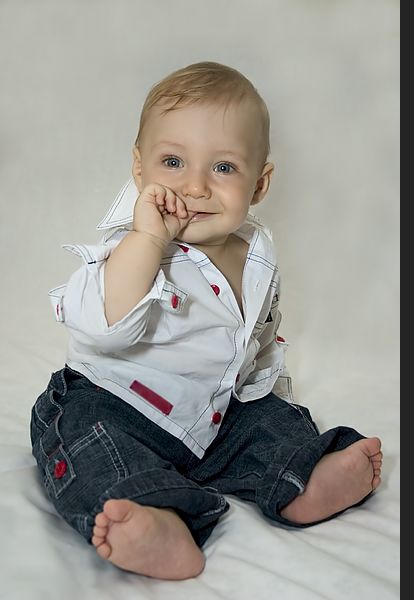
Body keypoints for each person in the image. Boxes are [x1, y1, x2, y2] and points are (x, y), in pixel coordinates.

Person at [30, 61, 382, 580]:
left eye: (223, 168)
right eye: (172, 161)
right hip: (114, 400)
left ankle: (302, 480)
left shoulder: (257, 251)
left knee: (270, 422)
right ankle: (158, 520)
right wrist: (148, 240)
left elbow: (255, 338)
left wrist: (264, 394)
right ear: (139, 168)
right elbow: (104, 323)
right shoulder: (132, 245)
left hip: (216, 413)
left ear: (259, 183)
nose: (194, 187)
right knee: (88, 445)